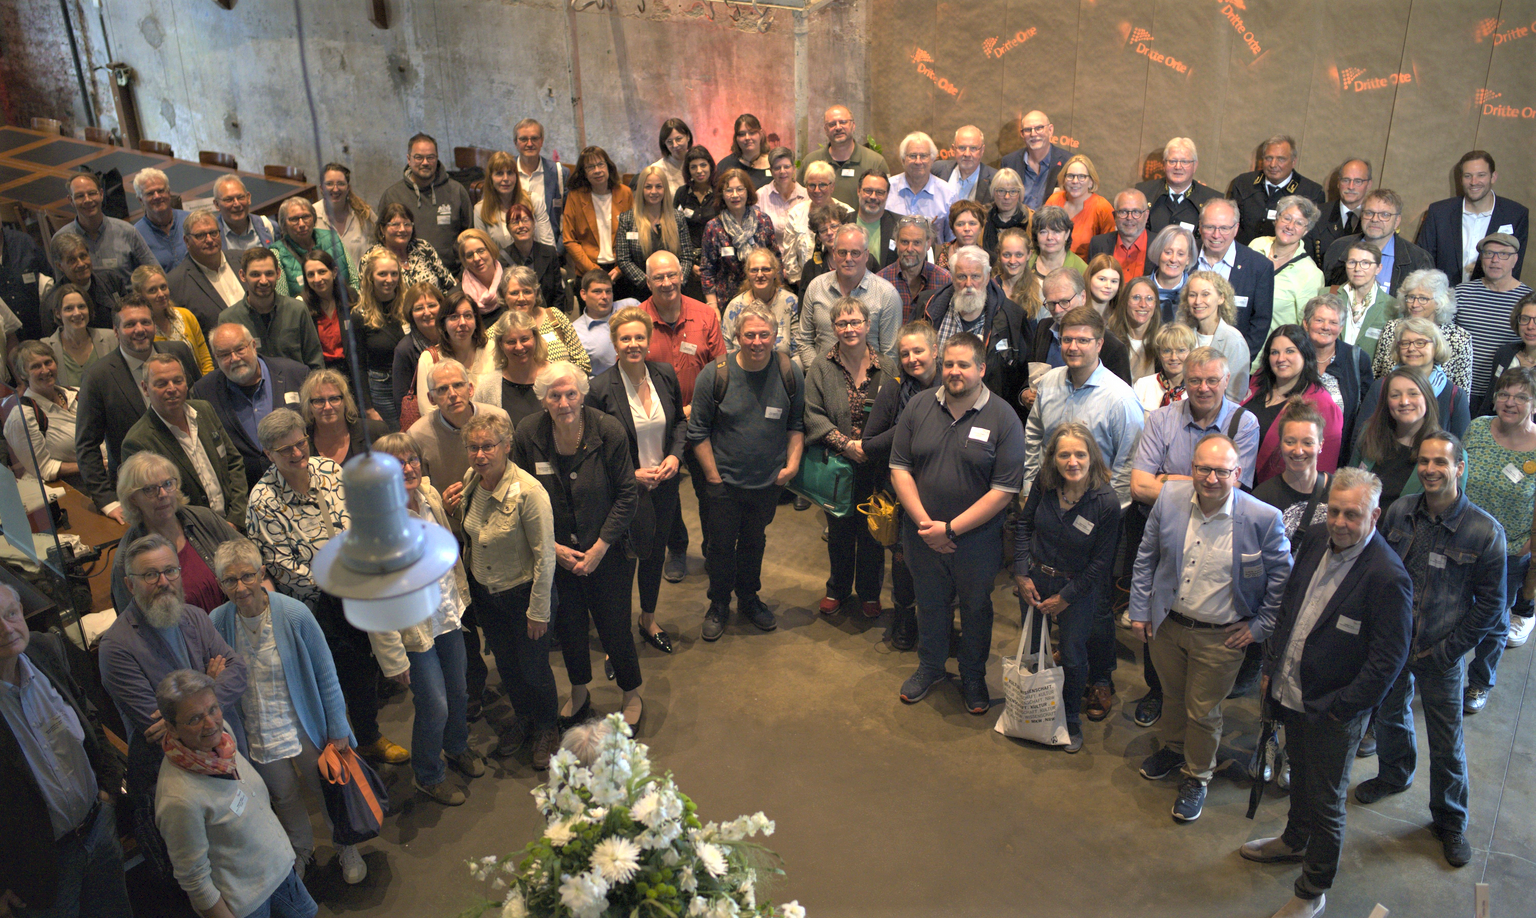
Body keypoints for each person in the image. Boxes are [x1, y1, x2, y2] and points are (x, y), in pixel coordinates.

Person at [1243, 469, 1412, 918]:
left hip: (1333, 710)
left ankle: (1312, 889)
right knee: (1299, 774)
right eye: (1334, 510)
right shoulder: (1316, 539)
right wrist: (1273, 668)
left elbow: (1388, 661)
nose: (1339, 521)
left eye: (1352, 514)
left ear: (1374, 515)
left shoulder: (1387, 576)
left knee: (1327, 800)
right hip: (1292, 690)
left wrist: (1343, 708)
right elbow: (1289, 608)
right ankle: (1293, 841)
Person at [1130, 434, 1291, 822]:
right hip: (1168, 625)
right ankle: (1172, 747)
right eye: (1203, 469)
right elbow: (1146, 556)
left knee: (1202, 710)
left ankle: (1197, 775)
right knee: (1171, 694)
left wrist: (1260, 627)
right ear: (1192, 470)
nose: (1211, 478)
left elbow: (1282, 579)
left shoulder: (1262, 518)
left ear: (1237, 474)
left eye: (1222, 471)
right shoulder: (1169, 499)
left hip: (1220, 637)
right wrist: (1140, 609)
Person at [1363, 432, 1505, 868]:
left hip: (1441, 653)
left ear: (1459, 468)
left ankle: (1449, 821)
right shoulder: (1401, 512)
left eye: (1440, 462)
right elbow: (1380, 573)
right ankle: (1394, 774)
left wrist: (1449, 652)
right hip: (1394, 645)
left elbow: (1491, 607)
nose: (1430, 470)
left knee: (1447, 742)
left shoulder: (1484, 531)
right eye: (1424, 461)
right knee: (1388, 715)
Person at [246, 408, 408, 765]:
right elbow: (283, 567)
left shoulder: (331, 470)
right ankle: (336, 751)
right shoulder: (263, 502)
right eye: (285, 450)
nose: (297, 454)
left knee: (364, 672)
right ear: (268, 454)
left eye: (300, 443)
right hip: (316, 606)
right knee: (333, 677)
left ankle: (368, 738)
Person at [205, 539, 369, 880]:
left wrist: (338, 727)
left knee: (327, 790)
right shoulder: (216, 622)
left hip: (305, 727)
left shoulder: (294, 614)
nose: (241, 587)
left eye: (248, 576)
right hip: (259, 729)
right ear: (219, 583)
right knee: (284, 797)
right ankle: (301, 850)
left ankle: (346, 846)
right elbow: (213, 686)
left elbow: (326, 675)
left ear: (262, 572)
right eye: (230, 581)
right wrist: (212, 680)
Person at [890, 332, 1025, 712]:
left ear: (981, 368)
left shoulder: (1003, 417)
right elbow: (899, 467)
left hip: (976, 542)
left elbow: (1004, 490)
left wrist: (950, 530)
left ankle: (973, 676)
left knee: (976, 608)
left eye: (963, 364)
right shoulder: (918, 407)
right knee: (930, 604)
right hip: (922, 535)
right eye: (948, 364)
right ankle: (930, 667)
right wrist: (925, 525)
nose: (954, 371)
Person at [1128, 348, 1262, 726]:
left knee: (1199, 618)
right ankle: (1157, 692)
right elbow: (1139, 485)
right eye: (1194, 381)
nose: (1203, 388)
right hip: (1163, 529)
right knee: (1159, 616)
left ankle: (1194, 708)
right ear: (1183, 383)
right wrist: (1207, 484)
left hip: (1218, 536)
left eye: (1211, 380)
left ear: (1227, 382)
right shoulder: (1162, 418)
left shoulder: (1244, 422)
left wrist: (1169, 481)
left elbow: (1237, 493)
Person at [514, 361, 642, 726]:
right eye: (554, 395)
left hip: (607, 551)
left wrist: (600, 547)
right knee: (569, 627)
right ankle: (580, 689)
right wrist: (553, 549)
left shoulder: (608, 430)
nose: (564, 402)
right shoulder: (528, 433)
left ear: (582, 395)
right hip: (557, 553)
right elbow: (519, 496)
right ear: (543, 400)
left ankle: (631, 693)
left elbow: (626, 495)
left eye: (571, 393)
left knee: (614, 626)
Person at [0, 584, 133, 918]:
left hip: (97, 827)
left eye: (10, 614)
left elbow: (87, 714)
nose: (6, 629)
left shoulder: (46, 649)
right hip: (40, 867)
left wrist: (107, 788)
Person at [368, 434, 481, 805]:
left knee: (459, 689)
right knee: (435, 704)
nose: (407, 468)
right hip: (413, 632)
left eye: (412, 459)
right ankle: (429, 774)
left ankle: (457, 746)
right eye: (396, 463)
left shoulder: (429, 499)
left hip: (447, 613)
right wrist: (392, 658)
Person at [152, 669, 319, 918]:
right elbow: (195, 879)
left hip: (281, 871)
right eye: (195, 719)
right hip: (247, 904)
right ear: (172, 728)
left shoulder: (222, 740)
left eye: (213, 709)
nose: (211, 723)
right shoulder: (179, 798)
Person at [447, 412, 561, 769]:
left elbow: (546, 557)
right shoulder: (472, 479)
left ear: (507, 447)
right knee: (509, 667)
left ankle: (547, 727)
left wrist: (538, 611)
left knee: (534, 668)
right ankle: (524, 720)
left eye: (488, 447)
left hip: (524, 596)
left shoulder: (530, 492)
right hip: (488, 596)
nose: (480, 455)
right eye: (473, 447)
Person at [98, 533, 248, 801]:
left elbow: (237, 670)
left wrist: (195, 703)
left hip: (231, 756)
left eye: (170, 571)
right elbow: (158, 727)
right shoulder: (116, 647)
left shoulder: (195, 616)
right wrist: (210, 683)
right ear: (130, 585)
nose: (163, 582)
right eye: (150, 575)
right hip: (180, 782)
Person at [688, 305, 804, 639]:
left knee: (755, 541)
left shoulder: (789, 372)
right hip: (724, 481)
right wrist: (712, 476)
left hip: (767, 482)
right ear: (736, 337)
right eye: (749, 335)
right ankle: (719, 602)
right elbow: (698, 431)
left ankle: (749, 598)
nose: (756, 341)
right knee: (721, 545)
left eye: (764, 334)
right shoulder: (715, 374)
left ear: (775, 336)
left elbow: (796, 424)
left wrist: (791, 466)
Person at [1013, 422, 1122, 752]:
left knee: (1074, 654)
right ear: (1053, 459)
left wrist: (1066, 597)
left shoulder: (1106, 502)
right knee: (1034, 650)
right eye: (1064, 455)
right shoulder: (1044, 486)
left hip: (1078, 588)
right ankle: (1036, 709)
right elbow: (1023, 526)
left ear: (1092, 457)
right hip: (1035, 579)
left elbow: (1102, 564)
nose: (1072, 461)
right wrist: (1021, 574)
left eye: (1079, 454)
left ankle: (1070, 717)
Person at [588, 306, 687, 655]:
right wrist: (630, 474)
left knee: (654, 553)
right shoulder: (599, 389)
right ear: (615, 344)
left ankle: (648, 617)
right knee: (620, 563)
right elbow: (591, 449)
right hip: (622, 492)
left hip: (664, 485)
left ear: (649, 341)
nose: (633, 343)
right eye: (625, 338)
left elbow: (679, 423)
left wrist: (675, 455)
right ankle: (617, 632)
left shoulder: (664, 374)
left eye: (639, 337)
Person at [805, 297, 895, 619]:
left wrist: (868, 449)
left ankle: (869, 592)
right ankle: (837, 589)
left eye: (856, 321)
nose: (849, 328)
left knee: (874, 532)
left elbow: (899, 418)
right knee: (839, 533)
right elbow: (812, 415)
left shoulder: (888, 368)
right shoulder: (821, 367)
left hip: (876, 467)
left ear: (868, 325)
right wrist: (845, 444)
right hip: (839, 467)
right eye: (842, 323)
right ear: (834, 328)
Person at [74, 298, 201, 522]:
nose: (140, 330)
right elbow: (87, 445)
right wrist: (107, 501)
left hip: (194, 480)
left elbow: (199, 405)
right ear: (116, 330)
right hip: (142, 494)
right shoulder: (98, 377)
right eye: (130, 324)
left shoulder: (179, 352)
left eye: (145, 322)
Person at [641, 250, 725, 579]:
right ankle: (676, 548)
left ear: (681, 275)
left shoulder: (705, 315)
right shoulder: (638, 319)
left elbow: (721, 370)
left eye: (671, 275)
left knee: (710, 489)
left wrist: (693, 409)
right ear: (648, 282)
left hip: (702, 421)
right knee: (666, 491)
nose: (666, 283)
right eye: (658, 277)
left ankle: (713, 547)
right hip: (657, 424)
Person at [862, 321, 941, 652]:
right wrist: (911, 422)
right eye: (904, 353)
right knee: (905, 561)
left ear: (935, 350)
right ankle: (905, 616)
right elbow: (869, 443)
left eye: (918, 351)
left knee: (941, 564)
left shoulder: (953, 386)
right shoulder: (894, 389)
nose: (911, 359)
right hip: (901, 491)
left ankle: (938, 623)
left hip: (943, 492)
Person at [1463, 366, 1536, 714]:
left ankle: (1479, 682)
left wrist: (1527, 548)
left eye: (1522, 396)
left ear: (1534, 404)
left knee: (1493, 621)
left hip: (1509, 550)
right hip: (1460, 538)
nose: (1511, 402)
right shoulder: (1477, 428)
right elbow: (1457, 475)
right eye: (1505, 394)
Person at [109, 450, 243, 615]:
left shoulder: (203, 518)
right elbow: (132, 626)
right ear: (133, 499)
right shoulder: (126, 559)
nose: (163, 494)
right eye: (150, 489)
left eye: (167, 484)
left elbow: (250, 559)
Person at [121, 352, 247, 527]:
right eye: (162, 383)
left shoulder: (204, 411)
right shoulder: (138, 442)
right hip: (189, 534)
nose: (172, 388)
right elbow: (152, 506)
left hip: (234, 524)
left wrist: (235, 519)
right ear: (145, 388)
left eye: (177, 381)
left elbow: (234, 463)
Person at [193, 322, 311, 490]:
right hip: (247, 495)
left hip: (302, 483)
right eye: (224, 354)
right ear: (215, 358)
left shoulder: (295, 374)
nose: (234, 358)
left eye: (240, 349)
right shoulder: (204, 392)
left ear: (253, 346)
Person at [926, 246, 1030, 410]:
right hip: (935, 406)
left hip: (988, 411)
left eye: (975, 276)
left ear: (987, 277)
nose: (968, 284)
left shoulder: (1012, 317)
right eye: (961, 277)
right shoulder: (930, 307)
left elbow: (1021, 375)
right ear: (952, 278)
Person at [1244, 325, 1344, 485]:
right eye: (1274, 352)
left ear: (1305, 354)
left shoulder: (1322, 405)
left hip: (1279, 493)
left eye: (1290, 351)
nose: (1280, 358)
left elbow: (1324, 469)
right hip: (1238, 483)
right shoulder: (1258, 380)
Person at [1416, 150, 1529, 285]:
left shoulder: (1515, 214)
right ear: (1461, 179)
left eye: (1481, 175)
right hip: (1442, 299)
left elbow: (1514, 267)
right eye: (1468, 176)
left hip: (1488, 300)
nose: (1474, 182)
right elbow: (1422, 262)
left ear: (1493, 177)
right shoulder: (1439, 212)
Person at [799, 224, 901, 364]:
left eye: (855, 253)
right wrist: (817, 374)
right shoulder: (816, 287)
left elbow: (890, 354)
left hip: (870, 378)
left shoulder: (887, 294)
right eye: (842, 252)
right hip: (822, 376)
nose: (848, 259)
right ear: (834, 253)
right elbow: (804, 340)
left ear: (866, 255)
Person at [1453, 233, 1533, 407]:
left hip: (1504, 395)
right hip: (1459, 390)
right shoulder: (1461, 293)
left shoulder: (1528, 300)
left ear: (1515, 259)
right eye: (1489, 253)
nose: (1495, 260)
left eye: (1503, 254)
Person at [1358, 317, 1470, 439]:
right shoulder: (1380, 387)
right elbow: (1360, 438)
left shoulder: (1454, 396)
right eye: (1405, 343)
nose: (1411, 348)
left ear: (1436, 347)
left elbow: (1462, 447)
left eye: (1420, 343)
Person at [376, 132, 475, 272]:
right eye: (419, 157)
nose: (425, 163)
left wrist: (462, 274)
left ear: (437, 159)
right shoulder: (392, 195)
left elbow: (469, 236)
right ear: (409, 159)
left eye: (430, 157)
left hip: (452, 277)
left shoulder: (456, 191)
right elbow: (381, 239)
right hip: (406, 278)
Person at [411, 358, 513, 490]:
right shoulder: (418, 435)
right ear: (431, 398)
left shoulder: (499, 418)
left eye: (458, 385)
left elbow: (513, 468)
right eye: (442, 389)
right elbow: (421, 491)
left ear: (470, 389)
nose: (452, 394)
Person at [1024, 267, 1131, 390]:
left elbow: (1120, 394)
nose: (1057, 310)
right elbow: (1030, 375)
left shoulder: (1112, 346)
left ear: (1083, 297)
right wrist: (1024, 393)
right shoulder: (1043, 328)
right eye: (1051, 304)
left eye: (1065, 302)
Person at [1354, 366, 1443, 513]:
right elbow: (1351, 485)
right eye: (1395, 395)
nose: (1404, 402)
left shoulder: (1444, 450)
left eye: (1413, 394)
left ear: (1427, 398)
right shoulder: (1369, 433)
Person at [219, 247, 323, 371]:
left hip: (298, 387)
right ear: (242, 275)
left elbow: (315, 361)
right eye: (255, 274)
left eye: (269, 273)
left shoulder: (297, 310)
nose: (263, 281)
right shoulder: (229, 319)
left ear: (278, 273)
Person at [1372, 268, 1473, 392]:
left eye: (1423, 299)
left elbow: (1462, 390)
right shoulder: (1392, 329)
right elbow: (1377, 374)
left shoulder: (1459, 338)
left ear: (1440, 302)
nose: (1414, 304)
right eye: (1411, 297)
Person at [1195, 198, 1275, 353]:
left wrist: (1239, 360)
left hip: (1233, 362)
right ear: (1200, 227)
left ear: (1236, 228)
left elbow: (1260, 324)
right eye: (1210, 227)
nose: (1216, 235)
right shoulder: (1185, 256)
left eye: (1224, 228)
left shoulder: (1258, 266)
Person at [50, 172, 155, 288]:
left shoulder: (127, 232)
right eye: (80, 196)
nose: (88, 200)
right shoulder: (60, 240)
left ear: (101, 194)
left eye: (92, 193)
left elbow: (154, 272)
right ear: (71, 200)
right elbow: (61, 288)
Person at [1304, 294, 1374, 465]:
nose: (1326, 327)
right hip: (1296, 450)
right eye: (1319, 320)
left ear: (1341, 327)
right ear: (1306, 324)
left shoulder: (1357, 359)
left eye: (1333, 322)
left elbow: (1366, 415)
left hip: (1340, 457)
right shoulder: (1293, 355)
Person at [1253, 398, 1334, 545]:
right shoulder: (1262, 498)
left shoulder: (1339, 492)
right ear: (1281, 443)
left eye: (1307, 443)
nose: (1298, 451)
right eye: (1290, 442)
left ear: (1320, 445)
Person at [1322, 189, 1434, 295]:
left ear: (1397, 221)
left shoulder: (1418, 259)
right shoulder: (1338, 248)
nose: (1375, 219)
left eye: (1385, 215)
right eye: (1369, 213)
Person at [5, 340, 84, 489]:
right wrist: (95, 465)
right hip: (73, 489)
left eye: (48, 362)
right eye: (35, 366)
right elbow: (44, 469)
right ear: (23, 374)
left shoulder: (79, 393)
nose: (45, 370)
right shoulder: (21, 416)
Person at [700, 168, 778, 310]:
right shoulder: (713, 227)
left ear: (747, 192)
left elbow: (775, 259)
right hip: (727, 302)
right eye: (729, 190)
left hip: (764, 298)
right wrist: (713, 307)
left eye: (740, 189)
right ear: (722, 195)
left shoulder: (763, 221)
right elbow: (707, 271)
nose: (735, 195)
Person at [1227, 135, 1327, 244]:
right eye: (1268, 158)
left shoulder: (1311, 193)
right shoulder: (1243, 183)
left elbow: (1310, 238)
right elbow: (1229, 223)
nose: (1273, 165)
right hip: (1243, 254)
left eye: (1281, 159)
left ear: (1293, 162)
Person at [617, 163, 694, 303]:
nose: (654, 191)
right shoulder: (627, 219)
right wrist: (649, 284)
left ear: (665, 189)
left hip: (675, 291)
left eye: (658, 186)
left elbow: (687, 256)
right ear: (641, 189)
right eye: (648, 187)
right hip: (641, 293)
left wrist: (676, 283)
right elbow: (624, 259)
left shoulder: (678, 218)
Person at [1251, 196, 1326, 332]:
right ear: (1277, 219)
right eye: (1286, 218)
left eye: (1299, 223)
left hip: (1274, 349)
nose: (1290, 226)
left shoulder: (1311, 274)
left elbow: (1305, 327)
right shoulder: (1256, 245)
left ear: (1306, 230)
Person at [563, 145, 634, 281]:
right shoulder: (575, 197)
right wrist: (593, 270)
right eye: (590, 167)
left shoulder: (625, 193)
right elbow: (569, 240)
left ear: (608, 166)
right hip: (588, 271)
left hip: (622, 270)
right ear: (584, 172)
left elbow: (634, 233)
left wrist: (621, 268)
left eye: (600, 164)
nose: (597, 171)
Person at [169, 209, 246, 334]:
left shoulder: (243, 260)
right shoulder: (176, 284)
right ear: (186, 241)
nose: (210, 240)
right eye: (200, 235)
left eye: (213, 233)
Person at [1179, 270, 1251, 400]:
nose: (1198, 301)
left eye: (1205, 294)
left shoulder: (1234, 341)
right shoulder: (1184, 335)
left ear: (1221, 298)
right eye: (1192, 295)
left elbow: (1235, 396)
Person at [502, 264, 589, 371]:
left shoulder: (554, 316)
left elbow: (583, 362)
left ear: (536, 293)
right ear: (504, 295)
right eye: (514, 293)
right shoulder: (497, 331)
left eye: (527, 292)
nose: (521, 298)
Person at [1135, 138, 1223, 240]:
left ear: (1195, 166)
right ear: (1164, 164)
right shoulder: (1143, 193)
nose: (1178, 167)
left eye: (1184, 162)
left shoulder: (1212, 200)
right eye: (1172, 161)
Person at [415, 290, 490, 408]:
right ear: (443, 324)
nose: (462, 323)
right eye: (454, 317)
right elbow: (428, 409)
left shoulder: (492, 348)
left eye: (468, 315)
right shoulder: (429, 359)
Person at [800, 105, 886, 208]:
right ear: (825, 129)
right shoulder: (811, 161)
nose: (838, 127)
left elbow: (886, 201)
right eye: (832, 124)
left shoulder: (875, 162)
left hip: (860, 224)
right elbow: (800, 198)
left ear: (853, 125)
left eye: (843, 122)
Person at [475, 310, 550, 428]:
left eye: (525, 339)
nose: (519, 347)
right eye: (511, 342)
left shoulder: (556, 376)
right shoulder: (487, 387)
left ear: (535, 338)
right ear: (500, 344)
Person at [135, 264, 214, 374]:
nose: (161, 294)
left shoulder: (186, 315)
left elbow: (205, 360)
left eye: (163, 287)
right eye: (153, 290)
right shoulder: (141, 330)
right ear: (140, 295)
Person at [303, 368, 388, 467]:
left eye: (334, 399)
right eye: (319, 401)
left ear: (345, 401)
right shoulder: (301, 442)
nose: (327, 407)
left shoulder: (375, 432)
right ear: (309, 406)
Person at [40, 232, 121, 335]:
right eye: (72, 260)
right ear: (60, 266)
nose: (81, 264)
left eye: (83, 256)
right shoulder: (51, 303)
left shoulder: (111, 280)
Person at [270, 197, 351, 300]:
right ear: (284, 224)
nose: (302, 224)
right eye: (294, 219)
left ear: (314, 218)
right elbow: (282, 299)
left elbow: (353, 279)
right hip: (306, 313)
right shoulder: (277, 253)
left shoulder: (332, 237)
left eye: (306, 217)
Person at [876, 215, 951, 324]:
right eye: (905, 242)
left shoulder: (945, 280)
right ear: (896, 242)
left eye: (917, 243)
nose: (910, 249)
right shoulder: (880, 282)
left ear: (928, 243)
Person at [724, 249, 798, 357]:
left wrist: (788, 372)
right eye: (754, 270)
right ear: (747, 274)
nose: (759, 275)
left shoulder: (791, 303)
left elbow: (798, 351)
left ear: (775, 272)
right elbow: (725, 347)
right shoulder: (735, 306)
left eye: (766, 269)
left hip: (782, 370)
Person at [1329, 240, 1393, 363]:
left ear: (1378, 268)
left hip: (1365, 377)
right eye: (1352, 262)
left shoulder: (1391, 307)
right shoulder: (1327, 295)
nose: (1357, 269)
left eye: (1365, 263)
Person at [887, 132, 958, 244]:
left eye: (924, 156)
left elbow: (952, 240)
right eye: (912, 156)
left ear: (932, 159)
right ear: (902, 160)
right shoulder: (887, 189)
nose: (918, 161)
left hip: (934, 259)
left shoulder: (948, 194)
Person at [370, 201, 455, 293]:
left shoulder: (422, 247)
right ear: (382, 229)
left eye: (407, 224)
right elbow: (367, 297)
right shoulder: (372, 257)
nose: (402, 229)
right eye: (395, 225)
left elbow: (450, 284)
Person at [512, 118, 569, 252]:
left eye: (535, 138)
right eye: (524, 139)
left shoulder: (559, 173)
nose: (530, 143)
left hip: (551, 251)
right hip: (514, 253)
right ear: (515, 143)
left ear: (541, 141)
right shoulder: (505, 174)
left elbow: (569, 218)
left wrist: (557, 252)